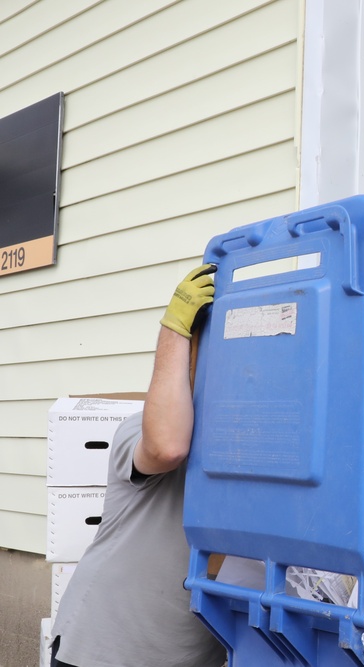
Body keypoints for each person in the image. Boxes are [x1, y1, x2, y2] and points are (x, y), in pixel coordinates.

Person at [50, 264, 226, 667]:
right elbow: (166, 447)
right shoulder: (139, 428)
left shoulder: (254, 444)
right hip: (100, 652)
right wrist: (174, 330)